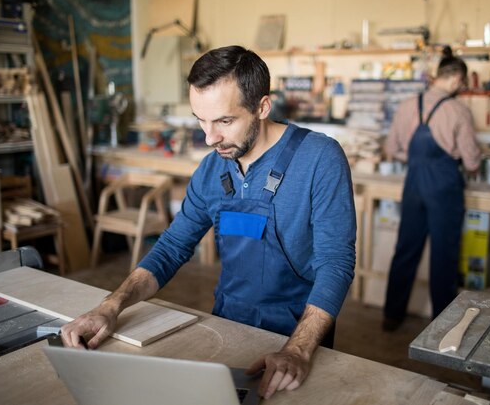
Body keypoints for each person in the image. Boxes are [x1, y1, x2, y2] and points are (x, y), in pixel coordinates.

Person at [61, 45, 356, 399]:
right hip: (228, 320)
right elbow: (171, 248)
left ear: (262, 107)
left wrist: (298, 349)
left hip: (299, 331)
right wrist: (110, 306)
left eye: (224, 121)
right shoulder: (212, 169)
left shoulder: (320, 158)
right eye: (201, 120)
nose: (209, 138)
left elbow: (335, 262)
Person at [382, 46, 481, 331]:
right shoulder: (458, 110)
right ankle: (443, 324)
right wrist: (466, 159)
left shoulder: (406, 105)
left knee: (406, 250)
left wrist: (416, 161)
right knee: (444, 255)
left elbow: (392, 149)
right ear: (455, 79)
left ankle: (392, 316)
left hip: (413, 184)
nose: (460, 88)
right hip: (444, 186)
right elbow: (472, 160)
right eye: (462, 83)